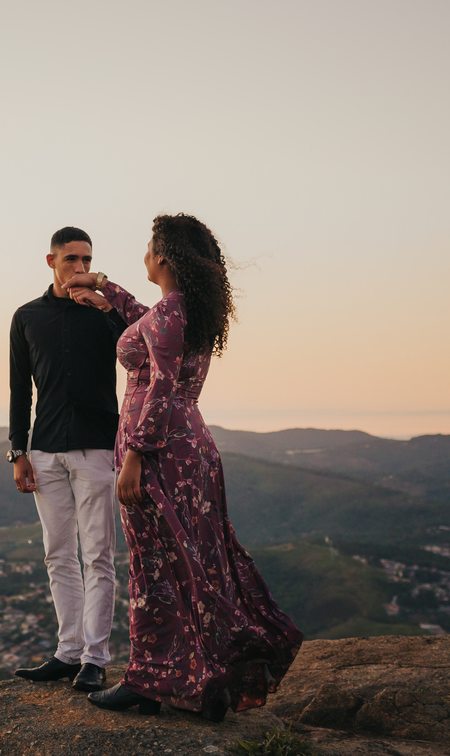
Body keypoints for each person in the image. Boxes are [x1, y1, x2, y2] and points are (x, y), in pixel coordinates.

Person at [62, 213, 303, 720]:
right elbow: (144, 321)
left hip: (160, 454)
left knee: (155, 566)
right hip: (186, 450)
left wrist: (134, 456)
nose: (144, 256)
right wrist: (103, 288)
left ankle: (152, 682)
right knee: (189, 563)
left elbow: (163, 385)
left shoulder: (171, 312)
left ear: (164, 257)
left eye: (149, 249)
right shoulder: (177, 308)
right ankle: (203, 678)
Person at [8, 226, 127, 693]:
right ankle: (67, 652)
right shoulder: (26, 317)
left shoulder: (107, 314)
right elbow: (20, 388)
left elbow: (141, 357)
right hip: (45, 449)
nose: (80, 268)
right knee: (58, 554)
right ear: (51, 261)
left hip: (97, 445)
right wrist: (19, 451)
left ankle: (95, 659)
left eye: (87, 260)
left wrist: (106, 306)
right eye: (71, 259)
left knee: (98, 555)